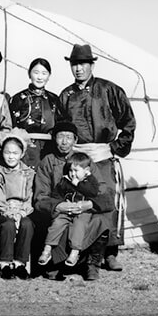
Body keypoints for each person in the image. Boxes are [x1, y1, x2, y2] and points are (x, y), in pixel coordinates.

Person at [58, 43, 136, 272]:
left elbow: (128, 124)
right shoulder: (66, 95)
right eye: (74, 64)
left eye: (83, 64)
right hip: (77, 158)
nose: (78, 69)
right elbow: (61, 128)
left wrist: (112, 148)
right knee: (79, 202)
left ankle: (110, 253)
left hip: (103, 156)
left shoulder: (110, 90)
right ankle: (80, 253)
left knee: (106, 200)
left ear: (91, 64)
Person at [34, 120, 115, 281]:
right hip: (60, 211)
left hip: (83, 211)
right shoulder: (47, 162)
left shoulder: (85, 161)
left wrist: (89, 204)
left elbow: (102, 191)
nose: (64, 142)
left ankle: (92, 265)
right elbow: (40, 197)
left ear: (75, 140)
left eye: (69, 137)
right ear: (54, 138)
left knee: (101, 220)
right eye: (60, 137)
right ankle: (55, 264)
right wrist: (59, 206)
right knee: (56, 223)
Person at [38, 151, 101, 267]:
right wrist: (61, 203)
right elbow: (56, 194)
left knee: (79, 224)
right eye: (71, 170)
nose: (73, 174)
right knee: (56, 223)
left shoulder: (90, 181)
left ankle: (75, 251)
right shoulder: (65, 181)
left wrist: (78, 184)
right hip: (67, 210)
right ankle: (47, 249)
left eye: (76, 171)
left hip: (82, 212)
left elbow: (93, 192)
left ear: (86, 171)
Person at [0, 135, 35, 279]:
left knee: (28, 224)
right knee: (8, 225)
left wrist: (21, 213)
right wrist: (8, 212)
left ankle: (20, 262)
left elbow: (29, 196)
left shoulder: (29, 173)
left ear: (22, 154)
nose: (11, 157)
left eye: (15, 153)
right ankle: (4, 262)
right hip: (2, 210)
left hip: (22, 210)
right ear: (2, 153)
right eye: (7, 152)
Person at [9, 57, 64, 168]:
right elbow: (11, 125)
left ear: (49, 76)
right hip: (24, 147)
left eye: (44, 73)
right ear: (29, 74)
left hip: (50, 148)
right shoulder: (17, 98)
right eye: (36, 72)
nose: (40, 77)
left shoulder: (54, 99)